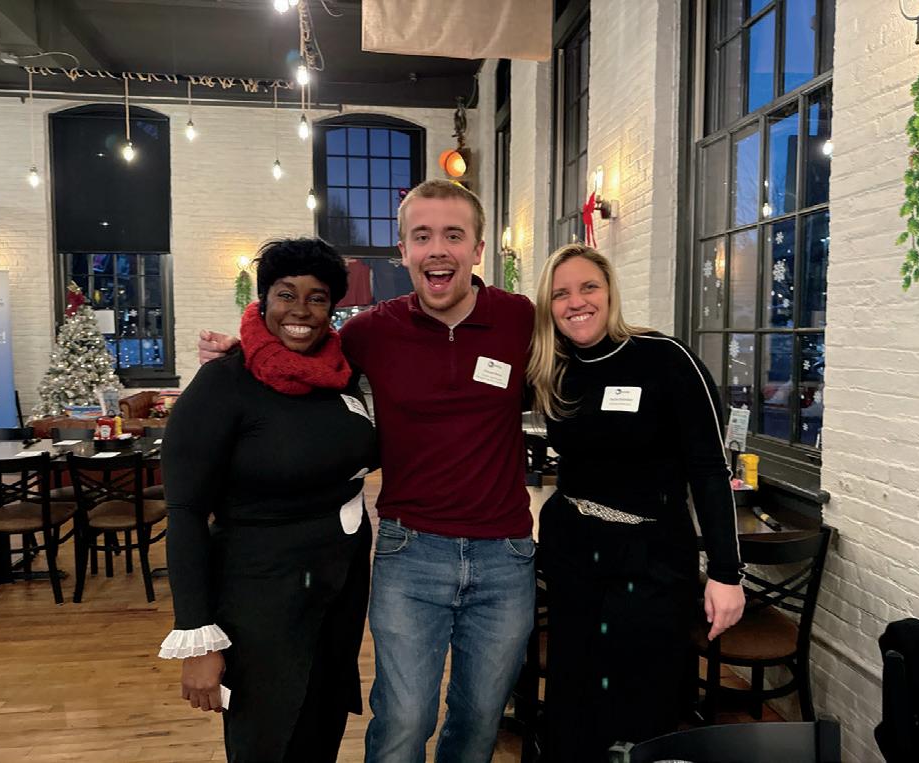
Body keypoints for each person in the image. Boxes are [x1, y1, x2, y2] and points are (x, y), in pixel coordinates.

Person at [198, 180, 536, 763]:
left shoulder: (520, 319)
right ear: (403, 250)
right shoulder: (371, 331)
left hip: (505, 555)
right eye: (421, 236)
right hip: (412, 551)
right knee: (405, 718)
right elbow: (300, 349)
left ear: (478, 249)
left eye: (453, 235)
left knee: (481, 717)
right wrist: (243, 350)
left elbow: (584, 347)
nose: (437, 249)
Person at [158, 238, 378, 762]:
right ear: (263, 301)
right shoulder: (224, 382)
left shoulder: (342, 377)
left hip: (336, 594)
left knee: (319, 729)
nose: (300, 310)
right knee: (266, 738)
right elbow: (186, 511)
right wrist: (198, 636)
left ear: (332, 307)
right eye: (285, 294)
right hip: (260, 601)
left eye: (317, 297)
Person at [526, 243, 746, 760]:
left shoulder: (664, 358)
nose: (576, 302)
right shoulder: (553, 366)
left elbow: (710, 470)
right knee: (573, 698)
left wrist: (726, 572)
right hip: (574, 553)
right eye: (560, 293)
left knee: (642, 701)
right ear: (548, 306)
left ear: (610, 292)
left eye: (589, 287)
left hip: (651, 558)